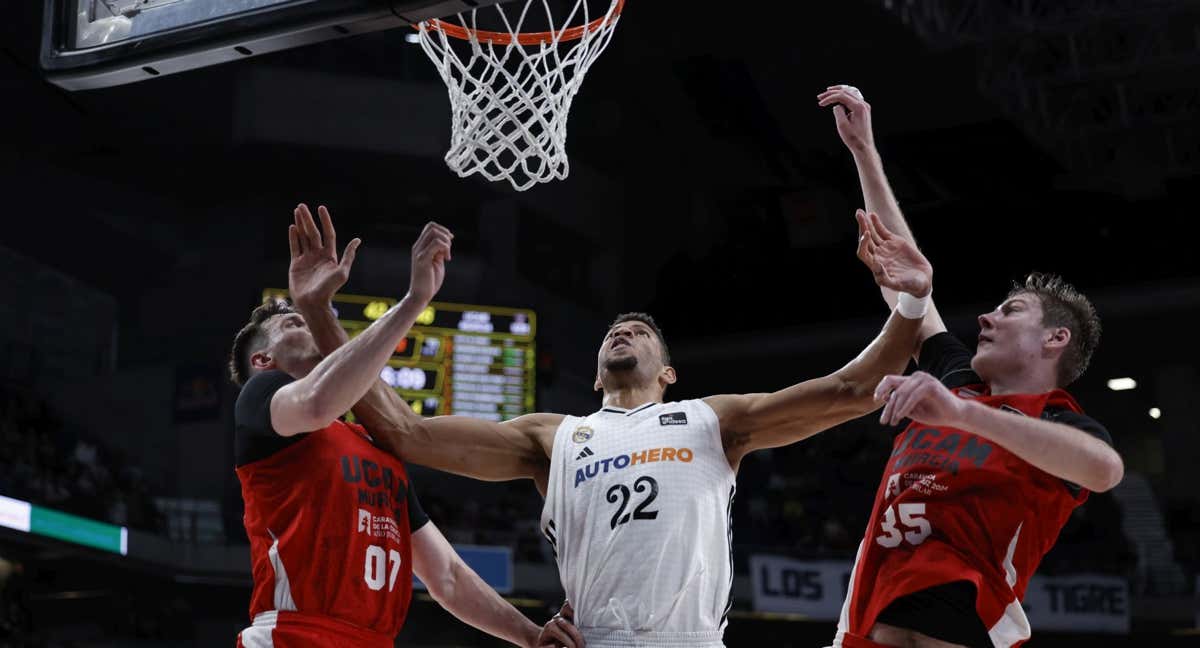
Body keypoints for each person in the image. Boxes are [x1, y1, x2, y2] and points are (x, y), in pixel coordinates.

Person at [285, 201, 936, 648]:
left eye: (643, 331)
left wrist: (911, 303)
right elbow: (406, 432)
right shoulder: (552, 436)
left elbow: (850, 388)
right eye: (615, 331)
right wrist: (319, 313)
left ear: (670, 372)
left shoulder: (711, 420)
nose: (625, 330)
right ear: (597, 375)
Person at [818, 84, 1125, 648]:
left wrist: (961, 414)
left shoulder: (1052, 420)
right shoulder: (959, 381)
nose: (985, 317)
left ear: (1055, 339)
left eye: (1009, 311)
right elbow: (911, 289)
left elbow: (1104, 470)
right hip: (869, 616)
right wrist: (863, 150)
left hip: (967, 622)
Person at [227, 218, 582, 648]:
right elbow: (319, 401)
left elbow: (447, 577)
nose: (306, 325)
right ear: (263, 360)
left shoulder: (374, 445)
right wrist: (414, 301)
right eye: (292, 325)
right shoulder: (261, 397)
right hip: (293, 633)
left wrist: (531, 635)